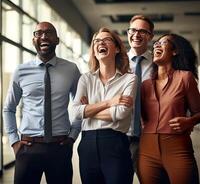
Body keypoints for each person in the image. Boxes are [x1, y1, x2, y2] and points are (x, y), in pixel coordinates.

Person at [3, 22, 81, 184]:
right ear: (33, 40)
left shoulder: (71, 69)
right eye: (38, 33)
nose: (44, 36)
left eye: (49, 33)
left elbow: (81, 106)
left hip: (60, 147)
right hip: (28, 148)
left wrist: (72, 137)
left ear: (57, 40)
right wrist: (14, 141)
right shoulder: (21, 71)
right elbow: (8, 108)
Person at [71, 27, 137, 184]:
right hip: (87, 144)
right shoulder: (85, 79)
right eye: (97, 41)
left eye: (106, 40)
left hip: (116, 144)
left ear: (117, 49)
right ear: (94, 51)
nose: (101, 43)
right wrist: (110, 103)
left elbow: (120, 113)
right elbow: (75, 112)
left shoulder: (130, 79)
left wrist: (88, 110)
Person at [138, 33, 200, 184]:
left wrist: (189, 122)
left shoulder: (185, 77)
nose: (157, 45)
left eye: (163, 42)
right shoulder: (144, 85)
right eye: (156, 43)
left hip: (177, 148)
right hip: (147, 150)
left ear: (174, 51)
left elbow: (199, 112)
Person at [126, 14, 154, 177]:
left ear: (150, 36)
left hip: (149, 137)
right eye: (133, 30)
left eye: (142, 31)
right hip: (120, 137)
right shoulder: (117, 62)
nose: (136, 35)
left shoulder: (159, 64)